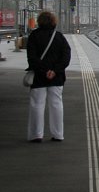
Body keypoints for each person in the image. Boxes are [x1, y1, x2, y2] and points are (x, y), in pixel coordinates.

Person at [25, 10, 72, 142]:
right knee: (56, 104)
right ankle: (58, 135)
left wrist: (43, 70)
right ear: (53, 21)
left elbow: (31, 58)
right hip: (56, 77)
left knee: (37, 104)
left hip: (39, 77)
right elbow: (66, 57)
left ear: (39, 22)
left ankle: (36, 135)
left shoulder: (34, 36)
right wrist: (55, 70)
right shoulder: (59, 37)